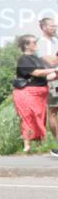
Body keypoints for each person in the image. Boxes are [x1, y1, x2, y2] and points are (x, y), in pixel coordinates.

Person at [13, 34, 58, 153]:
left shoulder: (38, 59)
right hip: (27, 92)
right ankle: (26, 145)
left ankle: (39, 146)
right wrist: (54, 70)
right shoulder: (23, 59)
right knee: (28, 117)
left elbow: (47, 76)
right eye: (34, 42)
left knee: (39, 118)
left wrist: (55, 74)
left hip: (40, 93)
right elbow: (36, 73)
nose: (36, 43)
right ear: (26, 45)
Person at [37, 17, 58, 156]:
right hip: (52, 79)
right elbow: (49, 60)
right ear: (44, 27)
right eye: (52, 25)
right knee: (53, 111)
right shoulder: (39, 43)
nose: (55, 27)